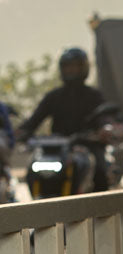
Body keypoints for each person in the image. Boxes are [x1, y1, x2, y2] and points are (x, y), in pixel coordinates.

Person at [16, 47, 111, 192]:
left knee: (99, 171)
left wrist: (104, 130)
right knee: (32, 168)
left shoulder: (94, 96)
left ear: (84, 68)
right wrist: (21, 132)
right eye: (68, 66)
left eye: (75, 66)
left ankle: (102, 211)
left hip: (86, 146)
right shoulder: (54, 96)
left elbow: (104, 118)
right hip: (57, 149)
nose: (71, 70)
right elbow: (34, 120)